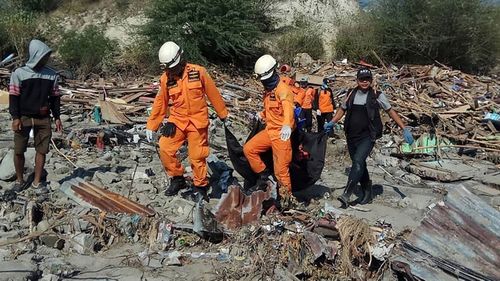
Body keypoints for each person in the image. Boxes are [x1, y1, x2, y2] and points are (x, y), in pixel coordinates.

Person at [146, 41, 228, 202]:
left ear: (181, 58)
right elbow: (160, 103)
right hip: (177, 121)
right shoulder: (166, 79)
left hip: (197, 122)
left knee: (197, 156)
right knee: (165, 147)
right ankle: (177, 178)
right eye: (169, 68)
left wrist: (223, 114)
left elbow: (213, 94)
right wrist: (151, 125)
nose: (172, 71)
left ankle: (201, 187)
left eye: (173, 67)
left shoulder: (199, 72)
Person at [324, 68, 414, 208]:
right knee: (359, 164)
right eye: (362, 79)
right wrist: (332, 122)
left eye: (367, 79)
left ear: (371, 81)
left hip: (368, 136)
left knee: (359, 160)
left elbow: (390, 111)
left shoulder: (377, 95)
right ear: (357, 80)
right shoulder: (350, 94)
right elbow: (342, 109)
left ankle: (347, 194)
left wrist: (404, 128)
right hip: (351, 135)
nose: (364, 82)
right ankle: (367, 191)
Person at [9, 39, 62, 194]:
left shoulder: (51, 75)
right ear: (37, 55)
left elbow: (55, 98)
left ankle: (37, 182)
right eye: (45, 55)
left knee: (42, 150)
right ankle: (20, 180)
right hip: (23, 117)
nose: (47, 58)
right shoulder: (19, 73)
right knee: (19, 150)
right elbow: (14, 97)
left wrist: (57, 117)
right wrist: (15, 117)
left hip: (43, 118)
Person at [243, 54, 295, 201]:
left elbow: (288, 110)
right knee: (249, 149)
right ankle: (264, 176)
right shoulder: (268, 91)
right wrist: (260, 115)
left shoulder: (283, 90)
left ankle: (286, 199)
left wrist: (287, 126)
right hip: (270, 131)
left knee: (281, 170)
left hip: (282, 134)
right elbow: (270, 110)